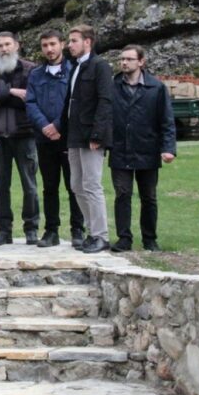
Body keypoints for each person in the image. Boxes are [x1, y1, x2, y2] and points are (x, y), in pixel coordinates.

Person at [109, 45, 177, 253]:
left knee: (149, 196)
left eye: (129, 59)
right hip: (120, 149)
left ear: (141, 62)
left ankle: (149, 238)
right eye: (122, 59)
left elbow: (166, 121)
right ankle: (124, 238)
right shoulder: (112, 86)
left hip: (147, 148)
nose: (124, 63)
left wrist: (168, 148)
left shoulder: (156, 88)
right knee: (122, 194)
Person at [26, 30, 85, 248]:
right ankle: (51, 231)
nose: (49, 49)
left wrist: (59, 125)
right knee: (49, 186)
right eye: (44, 45)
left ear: (62, 44)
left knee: (74, 185)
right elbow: (30, 103)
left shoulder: (74, 71)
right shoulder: (36, 74)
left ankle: (78, 230)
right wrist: (44, 126)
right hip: (44, 139)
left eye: (52, 44)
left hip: (68, 137)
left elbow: (75, 102)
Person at [64, 24, 114, 254]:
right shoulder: (76, 67)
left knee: (92, 184)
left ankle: (101, 235)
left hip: (91, 135)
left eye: (74, 40)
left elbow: (105, 101)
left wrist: (98, 134)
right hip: (74, 134)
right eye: (69, 41)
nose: (69, 45)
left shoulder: (100, 66)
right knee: (76, 184)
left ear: (88, 42)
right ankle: (91, 230)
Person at [0, 31, 40, 247]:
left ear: (16, 45)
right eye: (0, 45)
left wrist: (3, 94)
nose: (4, 49)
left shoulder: (31, 70)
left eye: (7, 44)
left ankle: (31, 228)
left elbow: (30, 100)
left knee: (30, 185)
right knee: (1, 186)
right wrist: (11, 92)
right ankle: (4, 231)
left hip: (25, 134)